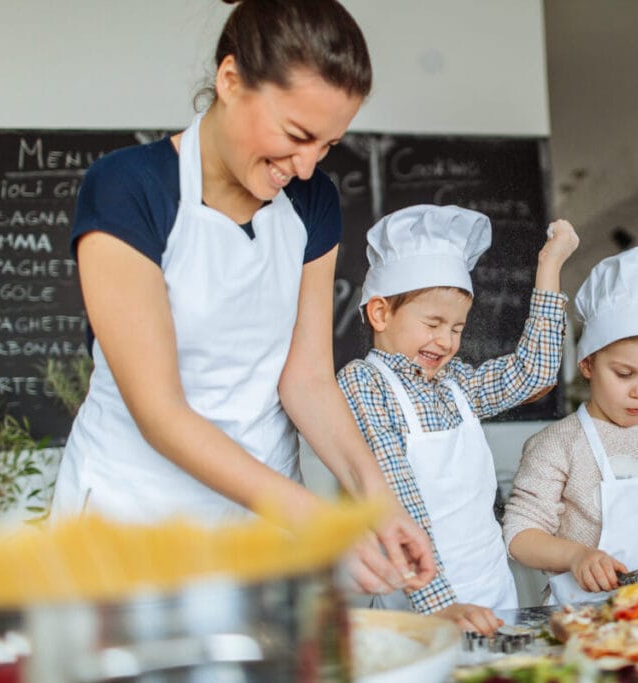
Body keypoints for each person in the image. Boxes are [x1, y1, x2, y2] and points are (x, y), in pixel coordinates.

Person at [50, 0, 436, 595]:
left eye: (328, 145)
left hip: (261, 529)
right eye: (296, 135)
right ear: (230, 81)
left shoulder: (312, 203)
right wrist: (315, 519)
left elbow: (306, 378)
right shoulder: (128, 188)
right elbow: (160, 412)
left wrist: (374, 497)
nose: (306, 166)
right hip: (132, 521)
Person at [337, 204, 579, 634]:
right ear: (379, 314)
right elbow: (397, 499)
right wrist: (441, 605)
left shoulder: (456, 384)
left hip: (493, 597)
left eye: (457, 328)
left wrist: (550, 264)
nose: (447, 340)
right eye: (433, 323)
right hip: (418, 609)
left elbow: (535, 372)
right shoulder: (364, 383)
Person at [504, 245, 638, 606]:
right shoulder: (558, 444)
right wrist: (576, 556)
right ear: (587, 364)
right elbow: (520, 535)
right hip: (584, 618)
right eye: (624, 374)